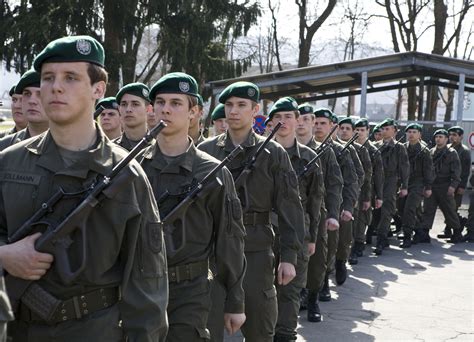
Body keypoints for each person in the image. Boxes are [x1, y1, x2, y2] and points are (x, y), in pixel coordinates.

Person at [0, 35, 168, 341]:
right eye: (48, 78)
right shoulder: (8, 164)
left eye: (71, 77)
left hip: (96, 330)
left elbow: (147, 280)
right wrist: (4, 255)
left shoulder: (127, 175)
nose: (56, 87)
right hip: (17, 330)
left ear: (98, 89)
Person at [142, 72, 246, 341]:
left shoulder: (212, 172)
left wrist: (235, 301)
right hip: (137, 287)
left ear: (194, 112)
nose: (166, 108)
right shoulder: (134, 167)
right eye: (161, 102)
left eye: (176, 103)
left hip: (190, 291)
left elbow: (229, 239)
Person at [199, 81, 304, 342]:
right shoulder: (205, 152)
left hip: (255, 249)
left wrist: (289, 256)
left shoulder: (272, 152)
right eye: (229, 105)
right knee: (206, 328)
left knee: (260, 328)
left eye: (241, 105)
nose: (233, 111)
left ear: (255, 109)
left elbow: (290, 206)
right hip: (212, 252)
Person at [268, 97, 324, 341]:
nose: (283, 122)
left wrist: (312, 238)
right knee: (262, 291)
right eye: (277, 118)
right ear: (270, 123)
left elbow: (315, 201)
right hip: (264, 231)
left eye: (288, 117)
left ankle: (285, 335)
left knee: (290, 292)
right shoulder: (261, 154)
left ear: (298, 120)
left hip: (299, 233)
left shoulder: (309, 157)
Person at [296, 103, 343, 323]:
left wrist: (333, 213)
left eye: (307, 119)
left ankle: (313, 298)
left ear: (313, 123)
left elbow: (334, 184)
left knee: (316, 260)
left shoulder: (325, 151)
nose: (302, 123)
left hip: (317, 212)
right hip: (289, 212)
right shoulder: (281, 148)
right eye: (299, 118)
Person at [312, 108, 357, 302]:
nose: (318, 126)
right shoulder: (305, 148)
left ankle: (326, 279)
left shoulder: (341, 150)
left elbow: (352, 180)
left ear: (333, 126)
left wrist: (347, 206)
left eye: (323, 123)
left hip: (333, 206)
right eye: (316, 122)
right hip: (310, 206)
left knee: (329, 246)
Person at [373, 118, 409, 255]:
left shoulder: (399, 148)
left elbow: (404, 168)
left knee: (386, 210)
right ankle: (382, 234)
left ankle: (381, 239)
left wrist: (404, 186)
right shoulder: (375, 146)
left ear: (394, 131)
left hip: (391, 181)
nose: (384, 131)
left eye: (387, 129)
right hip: (376, 181)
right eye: (383, 128)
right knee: (375, 212)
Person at [419, 129, 462, 243]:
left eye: (441, 137)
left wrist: (453, 186)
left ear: (446, 139)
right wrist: (426, 185)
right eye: (437, 137)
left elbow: (456, 172)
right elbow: (427, 170)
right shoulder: (431, 152)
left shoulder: (451, 153)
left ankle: (457, 232)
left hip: (445, 185)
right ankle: (424, 233)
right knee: (428, 209)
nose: (438, 139)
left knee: (449, 210)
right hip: (432, 185)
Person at [398, 123, 434, 248]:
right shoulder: (402, 148)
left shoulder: (424, 151)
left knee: (409, 209)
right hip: (404, 182)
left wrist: (428, 187)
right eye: (409, 132)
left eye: (414, 132)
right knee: (401, 208)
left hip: (418, 183)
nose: (411, 134)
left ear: (419, 135)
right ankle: (419, 231)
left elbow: (429, 170)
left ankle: (407, 236)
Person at [353, 118, 383, 256]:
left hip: (367, 189)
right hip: (352, 189)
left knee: (363, 217)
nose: (359, 133)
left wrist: (379, 196)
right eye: (357, 130)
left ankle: (359, 242)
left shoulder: (373, 150)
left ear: (367, 131)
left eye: (362, 130)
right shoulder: (349, 147)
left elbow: (378, 175)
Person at [0, 70, 49, 151]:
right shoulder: (4, 147)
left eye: (40, 94)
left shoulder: (71, 145)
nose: (32, 100)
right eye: (27, 94)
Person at [438, 126, 472, 238]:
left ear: (461, 137)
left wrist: (462, 186)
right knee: (446, 207)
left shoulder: (464, 151)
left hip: (457, 184)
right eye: (451, 135)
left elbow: (466, 171)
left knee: (453, 207)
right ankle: (450, 228)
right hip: (446, 183)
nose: (452, 137)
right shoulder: (445, 148)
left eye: (455, 135)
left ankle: (451, 228)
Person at [114, 82, 150, 151]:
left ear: (148, 109)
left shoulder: (160, 148)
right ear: (119, 109)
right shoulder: (109, 150)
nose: (128, 109)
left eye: (135, 104)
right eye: (124, 104)